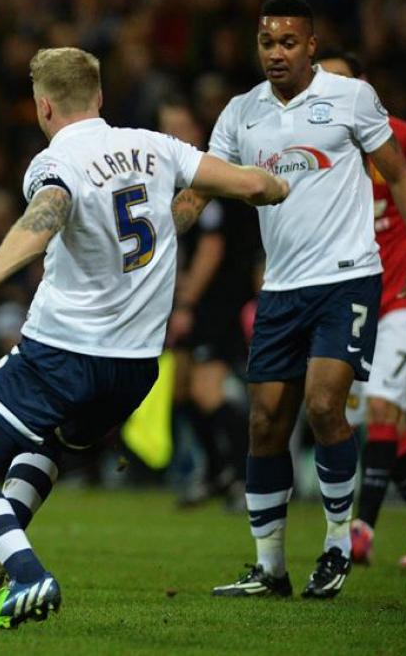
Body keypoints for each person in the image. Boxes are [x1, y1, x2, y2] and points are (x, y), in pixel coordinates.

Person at [0, 46, 288, 631]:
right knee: (50, 444)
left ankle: (27, 575)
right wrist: (280, 182)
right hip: (134, 369)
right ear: (100, 97)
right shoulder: (159, 148)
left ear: (44, 105)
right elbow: (258, 187)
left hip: (63, 352)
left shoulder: (55, 160)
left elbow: (49, 212)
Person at [176, 0, 406, 599]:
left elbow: (402, 173)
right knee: (263, 423)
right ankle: (270, 567)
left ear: (310, 46)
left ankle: (337, 546)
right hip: (281, 287)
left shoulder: (351, 99)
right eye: (266, 43)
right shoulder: (240, 112)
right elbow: (201, 190)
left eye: (288, 42)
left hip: (346, 277)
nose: (276, 53)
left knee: (326, 404)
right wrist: (152, 233)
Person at [316, 50, 406, 568]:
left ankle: (363, 530)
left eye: (338, 83)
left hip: (405, 295)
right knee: (375, 422)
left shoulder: (395, 136)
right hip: (355, 298)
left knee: (381, 408)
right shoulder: (320, 149)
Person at [159, 99, 254, 511]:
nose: (174, 135)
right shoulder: (171, 176)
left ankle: (246, 477)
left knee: (205, 389)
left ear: (198, 130)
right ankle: (217, 472)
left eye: (181, 125)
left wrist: (185, 303)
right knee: (181, 390)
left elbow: (211, 249)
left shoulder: (205, 177)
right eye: (167, 128)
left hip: (216, 300)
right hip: (194, 300)